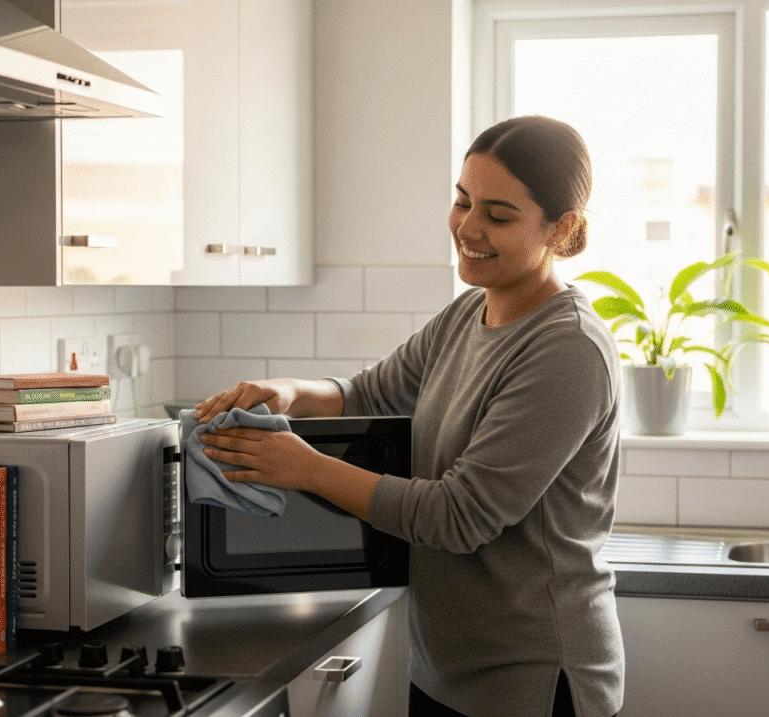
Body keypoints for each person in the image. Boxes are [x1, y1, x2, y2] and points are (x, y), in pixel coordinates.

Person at [193, 115, 624, 717]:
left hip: (531, 677)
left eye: (498, 215)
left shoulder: (567, 349)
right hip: (445, 666)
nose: (468, 228)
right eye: (462, 201)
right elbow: (370, 391)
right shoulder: (467, 315)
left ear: (563, 228)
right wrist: (289, 391)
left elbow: (459, 515)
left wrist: (305, 468)